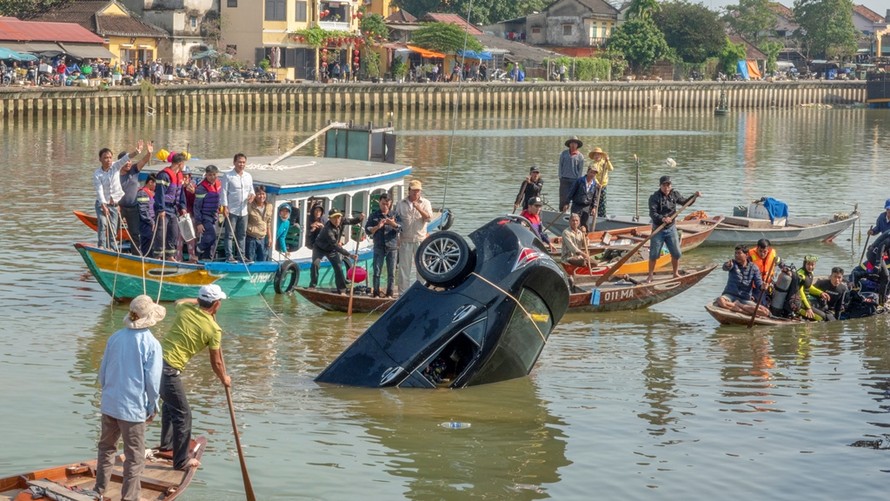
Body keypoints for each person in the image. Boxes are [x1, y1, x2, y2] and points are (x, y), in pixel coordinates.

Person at [95, 295, 165, 501]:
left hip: (110, 403)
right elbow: (152, 382)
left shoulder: (115, 337)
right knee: (134, 457)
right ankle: (129, 497)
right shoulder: (151, 344)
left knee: (106, 449)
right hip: (132, 408)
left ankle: (98, 491)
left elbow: (102, 374)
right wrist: (153, 407)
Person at [159, 284, 231, 471]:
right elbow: (216, 362)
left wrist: (197, 300)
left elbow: (179, 301)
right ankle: (181, 461)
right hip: (169, 368)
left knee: (170, 404)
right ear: (216, 304)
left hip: (154, 363)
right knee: (183, 415)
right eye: (219, 302)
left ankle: (167, 444)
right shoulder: (214, 330)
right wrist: (224, 378)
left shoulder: (185, 309)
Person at [646, 175, 701, 282]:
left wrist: (694, 197)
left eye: (668, 185)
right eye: (664, 185)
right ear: (660, 186)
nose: (666, 187)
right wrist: (663, 218)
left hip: (671, 229)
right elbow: (652, 213)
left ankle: (675, 273)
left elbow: (685, 202)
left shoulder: (674, 194)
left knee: (676, 253)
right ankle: (650, 275)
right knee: (653, 254)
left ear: (671, 186)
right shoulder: (654, 197)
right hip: (658, 229)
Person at [94, 140, 144, 250]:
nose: (108, 160)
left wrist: (137, 151)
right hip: (101, 204)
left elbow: (126, 158)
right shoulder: (97, 174)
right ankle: (101, 246)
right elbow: (99, 190)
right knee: (102, 223)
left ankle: (112, 248)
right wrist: (103, 205)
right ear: (100, 159)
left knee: (113, 228)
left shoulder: (116, 166)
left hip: (114, 204)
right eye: (105, 158)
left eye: (110, 157)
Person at [394, 179, 432, 294]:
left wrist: (418, 208)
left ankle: (421, 292)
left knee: (421, 267)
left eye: (418, 191)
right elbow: (397, 220)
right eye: (414, 191)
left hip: (420, 239)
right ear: (409, 190)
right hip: (405, 239)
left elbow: (428, 218)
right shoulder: (401, 204)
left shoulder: (425, 203)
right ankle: (402, 293)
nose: (416, 193)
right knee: (404, 268)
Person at [309, 209, 358, 294]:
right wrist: (349, 255)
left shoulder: (341, 220)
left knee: (338, 267)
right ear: (330, 219)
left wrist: (360, 219)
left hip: (331, 250)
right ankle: (312, 285)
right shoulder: (328, 230)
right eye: (334, 218)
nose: (337, 220)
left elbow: (351, 221)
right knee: (315, 264)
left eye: (338, 217)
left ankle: (342, 289)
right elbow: (336, 246)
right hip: (319, 248)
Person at [714, 245, 770, 317]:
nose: (736, 255)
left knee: (765, 312)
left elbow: (759, 284)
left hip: (744, 298)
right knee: (720, 301)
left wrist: (763, 286)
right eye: (735, 253)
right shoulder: (733, 264)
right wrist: (727, 265)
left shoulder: (754, 268)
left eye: (739, 253)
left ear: (746, 255)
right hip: (730, 295)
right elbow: (725, 267)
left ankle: (739, 305)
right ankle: (745, 312)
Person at [220, 153, 255, 263]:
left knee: (242, 235)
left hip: (244, 210)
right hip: (232, 210)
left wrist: (252, 196)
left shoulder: (248, 176)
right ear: (234, 162)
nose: (241, 164)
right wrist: (225, 207)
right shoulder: (228, 176)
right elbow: (223, 192)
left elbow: (252, 191)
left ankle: (241, 256)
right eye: (239, 162)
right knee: (229, 234)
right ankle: (229, 256)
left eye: (243, 162)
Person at [118, 142, 152, 253]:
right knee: (113, 230)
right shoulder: (115, 173)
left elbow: (144, 161)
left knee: (135, 233)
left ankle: (136, 255)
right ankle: (110, 251)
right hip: (119, 208)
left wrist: (149, 153)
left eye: (129, 160)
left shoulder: (134, 170)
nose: (128, 163)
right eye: (126, 161)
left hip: (133, 208)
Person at [153, 152, 187, 260]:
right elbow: (160, 194)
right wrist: (161, 209)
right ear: (180, 164)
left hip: (174, 209)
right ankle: (158, 255)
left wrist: (183, 207)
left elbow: (181, 193)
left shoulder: (180, 176)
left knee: (173, 232)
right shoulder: (164, 175)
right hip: (164, 208)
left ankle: (170, 255)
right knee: (161, 232)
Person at [365, 193, 401, 297]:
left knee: (391, 273)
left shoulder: (395, 215)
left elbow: (401, 228)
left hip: (392, 247)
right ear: (379, 203)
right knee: (377, 272)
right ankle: (376, 293)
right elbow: (368, 230)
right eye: (383, 203)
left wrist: (392, 224)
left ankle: (389, 293)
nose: (385, 206)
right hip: (379, 246)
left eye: (387, 204)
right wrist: (377, 226)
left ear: (390, 204)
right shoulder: (374, 215)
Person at [194, 165, 221, 260]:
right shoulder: (201, 188)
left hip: (215, 216)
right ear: (206, 175)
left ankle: (207, 259)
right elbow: (197, 207)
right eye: (210, 175)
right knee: (211, 236)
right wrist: (199, 223)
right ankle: (197, 249)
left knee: (213, 242)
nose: (212, 177)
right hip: (205, 217)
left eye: (214, 175)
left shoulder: (218, 184)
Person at [797, 255, 832, 321]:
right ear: (804, 264)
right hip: (798, 303)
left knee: (825, 308)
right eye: (808, 264)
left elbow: (808, 286)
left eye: (812, 265)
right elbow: (800, 293)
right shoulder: (801, 275)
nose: (810, 267)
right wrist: (808, 308)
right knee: (821, 318)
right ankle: (799, 313)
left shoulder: (810, 273)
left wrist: (820, 293)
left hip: (806, 300)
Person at [567, 165, 600, 231]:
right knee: (575, 224)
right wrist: (566, 203)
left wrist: (594, 207)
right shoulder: (579, 181)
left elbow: (595, 197)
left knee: (585, 226)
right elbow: (571, 192)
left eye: (594, 173)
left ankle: (584, 239)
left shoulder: (595, 184)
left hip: (587, 207)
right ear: (587, 172)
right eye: (591, 172)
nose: (592, 174)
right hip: (577, 206)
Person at [748, 238, 780, 304]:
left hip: (768, 284)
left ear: (768, 249)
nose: (762, 254)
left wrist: (785, 269)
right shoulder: (750, 256)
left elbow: (780, 263)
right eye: (760, 251)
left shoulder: (773, 254)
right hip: (756, 286)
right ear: (757, 248)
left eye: (764, 251)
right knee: (762, 303)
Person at [245, 186, 273, 262]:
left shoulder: (269, 206)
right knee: (250, 260)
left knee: (263, 260)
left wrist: (270, 238)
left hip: (263, 238)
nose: (262, 196)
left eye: (263, 194)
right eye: (259, 194)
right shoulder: (249, 206)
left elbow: (268, 223)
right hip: (251, 238)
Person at [558, 136, 585, 211]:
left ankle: (574, 215)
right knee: (563, 198)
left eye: (575, 143)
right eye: (571, 143)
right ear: (569, 144)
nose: (573, 145)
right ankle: (561, 213)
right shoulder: (564, 154)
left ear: (577, 145)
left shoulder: (580, 156)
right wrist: (560, 176)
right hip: (564, 179)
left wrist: (579, 180)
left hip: (575, 180)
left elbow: (580, 170)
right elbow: (560, 165)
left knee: (575, 198)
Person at [135, 174, 158, 257]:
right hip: (146, 224)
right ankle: (148, 259)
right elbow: (143, 210)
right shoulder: (142, 193)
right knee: (149, 244)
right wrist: (151, 222)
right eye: (156, 184)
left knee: (149, 244)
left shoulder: (151, 193)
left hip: (150, 222)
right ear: (151, 182)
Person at [588, 147, 613, 217]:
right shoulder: (592, 164)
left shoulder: (604, 162)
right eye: (595, 155)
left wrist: (608, 161)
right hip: (594, 185)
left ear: (601, 156)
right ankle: (591, 215)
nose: (597, 156)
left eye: (598, 154)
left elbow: (611, 169)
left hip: (603, 185)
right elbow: (592, 176)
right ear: (593, 156)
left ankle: (602, 216)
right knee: (593, 201)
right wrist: (597, 183)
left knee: (602, 202)